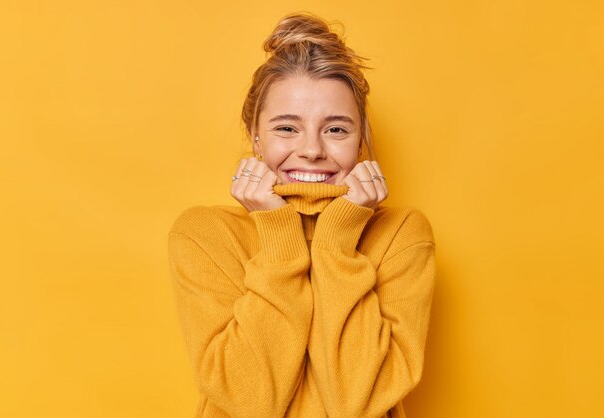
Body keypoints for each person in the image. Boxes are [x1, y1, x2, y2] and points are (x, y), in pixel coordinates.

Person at [167, 12, 436, 418]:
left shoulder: (401, 235)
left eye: (336, 129)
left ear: (361, 140)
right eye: (287, 128)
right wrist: (279, 238)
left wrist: (337, 240)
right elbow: (247, 403)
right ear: (255, 138)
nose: (311, 149)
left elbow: (357, 404)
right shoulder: (205, 234)